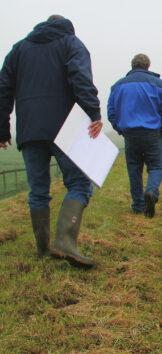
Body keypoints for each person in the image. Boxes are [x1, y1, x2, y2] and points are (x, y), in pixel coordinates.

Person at [0, 15, 103, 266]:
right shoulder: (71, 43)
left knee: (38, 190)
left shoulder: (18, 49)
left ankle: (43, 250)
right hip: (64, 127)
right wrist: (93, 113)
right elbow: (80, 78)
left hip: (30, 130)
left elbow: (3, 89)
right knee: (79, 183)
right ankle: (65, 244)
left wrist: (2, 129)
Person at [107, 54, 162, 218]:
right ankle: (151, 192)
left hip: (130, 134)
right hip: (152, 134)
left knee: (134, 169)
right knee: (156, 167)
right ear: (148, 66)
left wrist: (120, 129)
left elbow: (111, 112)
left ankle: (138, 205)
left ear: (132, 66)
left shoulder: (118, 86)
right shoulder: (158, 84)